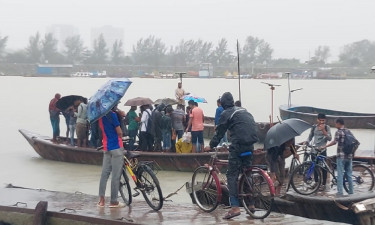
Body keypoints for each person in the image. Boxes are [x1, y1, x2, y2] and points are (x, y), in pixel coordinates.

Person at [204, 92, 259, 219]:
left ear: (223, 105)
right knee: (247, 172)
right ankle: (251, 204)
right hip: (251, 144)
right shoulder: (243, 110)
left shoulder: (226, 113)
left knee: (231, 175)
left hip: (238, 145)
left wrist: (211, 145)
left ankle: (234, 207)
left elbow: (219, 133)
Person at [97, 109, 126, 208]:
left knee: (104, 174)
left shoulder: (100, 117)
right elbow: (119, 132)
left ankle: (101, 200)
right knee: (115, 175)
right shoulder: (112, 115)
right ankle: (114, 201)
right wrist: (121, 135)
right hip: (116, 147)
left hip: (106, 147)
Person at [322, 118, 354, 196]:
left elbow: (334, 142)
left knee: (340, 174)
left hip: (341, 156)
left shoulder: (338, 132)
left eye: (336, 124)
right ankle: (351, 192)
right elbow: (354, 142)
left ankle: (340, 192)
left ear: (339, 123)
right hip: (349, 156)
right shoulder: (348, 131)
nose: (335, 125)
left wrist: (325, 146)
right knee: (349, 174)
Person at [304, 113, 332, 191]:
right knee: (314, 166)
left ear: (325, 120)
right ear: (317, 120)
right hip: (314, 150)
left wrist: (323, 130)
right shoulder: (314, 127)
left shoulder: (327, 127)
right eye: (320, 120)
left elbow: (329, 138)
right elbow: (310, 136)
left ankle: (323, 184)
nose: (322, 122)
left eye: (323, 120)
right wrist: (307, 142)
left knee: (324, 168)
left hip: (322, 150)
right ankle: (316, 182)